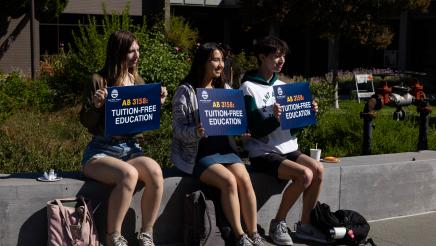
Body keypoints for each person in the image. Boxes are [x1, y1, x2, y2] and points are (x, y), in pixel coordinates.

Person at [80, 30, 168, 246]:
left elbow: (141, 121)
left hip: (131, 148)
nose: (136, 55)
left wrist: (157, 104)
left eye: (138, 50)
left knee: (156, 171)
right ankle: (113, 237)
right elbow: (86, 121)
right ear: (118, 52)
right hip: (102, 150)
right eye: (131, 51)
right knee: (129, 174)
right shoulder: (99, 80)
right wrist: (97, 106)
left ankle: (147, 234)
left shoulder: (137, 81)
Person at [171, 42, 264, 246]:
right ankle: (240, 236)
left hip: (224, 149)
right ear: (203, 62)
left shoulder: (225, 89)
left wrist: (241, 128)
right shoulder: (185, 91)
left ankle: (254, 232)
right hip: (198, 154)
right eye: (215, 59)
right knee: (228, 181)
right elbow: (177, 130)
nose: (220, 64)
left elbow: (233, 120)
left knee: (244, 179)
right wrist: (196, 131)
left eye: (222, 60)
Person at [239, 36, 325, 245]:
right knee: (304, 174)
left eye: (283, 56)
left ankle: (304, 225)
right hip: (263, 152)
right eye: (276, 56)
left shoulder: (284, 86)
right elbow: (256, 131)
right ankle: (278, 222)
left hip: (287, 148)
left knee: (318, 170)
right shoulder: (248, 88)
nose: (281, 60)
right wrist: (275, 119)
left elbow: (293, 131)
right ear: (262, 57)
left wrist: (306, 114)